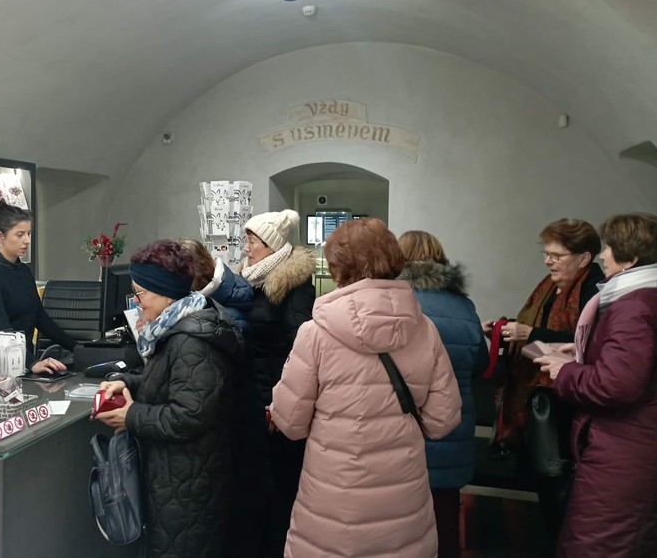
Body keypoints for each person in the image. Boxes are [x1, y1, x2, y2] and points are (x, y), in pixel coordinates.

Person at [270, 218, 461, 557]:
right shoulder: (425, 329)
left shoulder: (315, 332)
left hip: (333, 497)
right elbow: (442, 420)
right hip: (403, 494)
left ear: (338, 268)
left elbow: (291, 423)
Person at [95, 240, 245, 558]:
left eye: (140, 294)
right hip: (178, 478)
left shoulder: (192, 341)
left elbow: (189, 415)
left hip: (187, 486)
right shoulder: (177, 327)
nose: (137, 303)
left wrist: (131, 416)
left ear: (165, 294)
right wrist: (127, 382)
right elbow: (173, 381)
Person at [536, 213, 657, 558]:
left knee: (596, 545)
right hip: (632, 449)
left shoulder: (634, 306)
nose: (603, 255)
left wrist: (566, 372)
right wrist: (582, 351)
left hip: (624, 455)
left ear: (630, 258)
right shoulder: (647, 298)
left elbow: (616, 385)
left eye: (608, 248)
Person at [484, 218, 604, 554]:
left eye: (557, 255)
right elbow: (539, 328)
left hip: (567, 402)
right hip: (540, 397)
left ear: (584, 257)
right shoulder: (551, 286)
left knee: (561, 485)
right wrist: (507, 330)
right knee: (545, 484)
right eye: (546, 254)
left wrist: (531, 334)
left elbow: (585, 342)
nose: (549, 261)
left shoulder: (594, 288)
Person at [397, 230, 488, 558]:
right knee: (445, 517)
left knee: (401, 522)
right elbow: (481, 365)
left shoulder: (395, 304)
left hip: (403, 426)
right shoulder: (464, 306)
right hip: (453, 426)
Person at [177, 237, 268, 558]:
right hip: (241, 429)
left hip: (236, 436)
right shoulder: (221, 301)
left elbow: (204, 393)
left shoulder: (222, 316)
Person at [239, 208, 316, 558]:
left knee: (279, 483)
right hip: (252, 392)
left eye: (252, 241)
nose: (246, 248)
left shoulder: (294, 286)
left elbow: (299, 348)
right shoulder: (249, 280)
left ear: (271, 245)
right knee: (257, 481)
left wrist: (279, 401)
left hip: (275, 397)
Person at [0, 197, 71, 374]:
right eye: (20, 235)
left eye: (29, 234)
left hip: (23, 361)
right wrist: (32, 363)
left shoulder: (24, 271)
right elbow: (1, 331)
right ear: (0, 237)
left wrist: (78, 347)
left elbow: (40, 318)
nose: (27, 240)